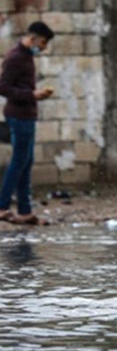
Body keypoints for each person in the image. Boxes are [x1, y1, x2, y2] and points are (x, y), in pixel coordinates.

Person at [0, 21, 55, 225]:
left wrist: (33, 95)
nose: (43, 47)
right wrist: (32, 94)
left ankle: (24, 211)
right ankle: (3, 206)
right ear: (33, 38)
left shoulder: (26, 56)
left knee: (25, 162)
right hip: (18, 115)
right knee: (19, 162)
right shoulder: (15, 57)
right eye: (43, 42)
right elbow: (3, 87)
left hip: (27, 114)